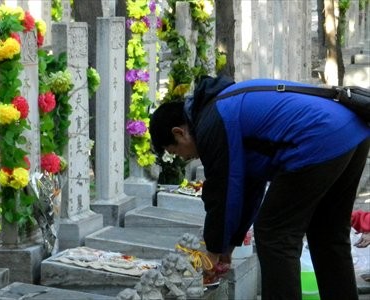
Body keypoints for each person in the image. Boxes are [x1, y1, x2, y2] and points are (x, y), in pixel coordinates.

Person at [149, 75, 370, 300]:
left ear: (179, 132)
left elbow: (222, 190)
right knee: (328, 232)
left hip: (319, 137)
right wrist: (229, 244)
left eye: (176, 152)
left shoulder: (211, 122)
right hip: (352, 129)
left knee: (275, 234)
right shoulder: (221, 105)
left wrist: (214, 250)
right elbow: (248, 187)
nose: (185, 157)